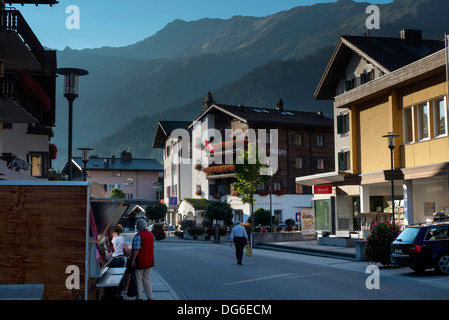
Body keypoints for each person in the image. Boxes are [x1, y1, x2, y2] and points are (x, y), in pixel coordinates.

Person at [130, 219, 155, 300]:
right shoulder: (151, 234)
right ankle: (150, 297)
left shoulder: (139, 235)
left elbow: (136, 249)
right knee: (147, 279)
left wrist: (133, 260)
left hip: (140, 260)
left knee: (138, 280)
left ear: (138, 226)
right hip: (149, 260)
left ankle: (139, 297)